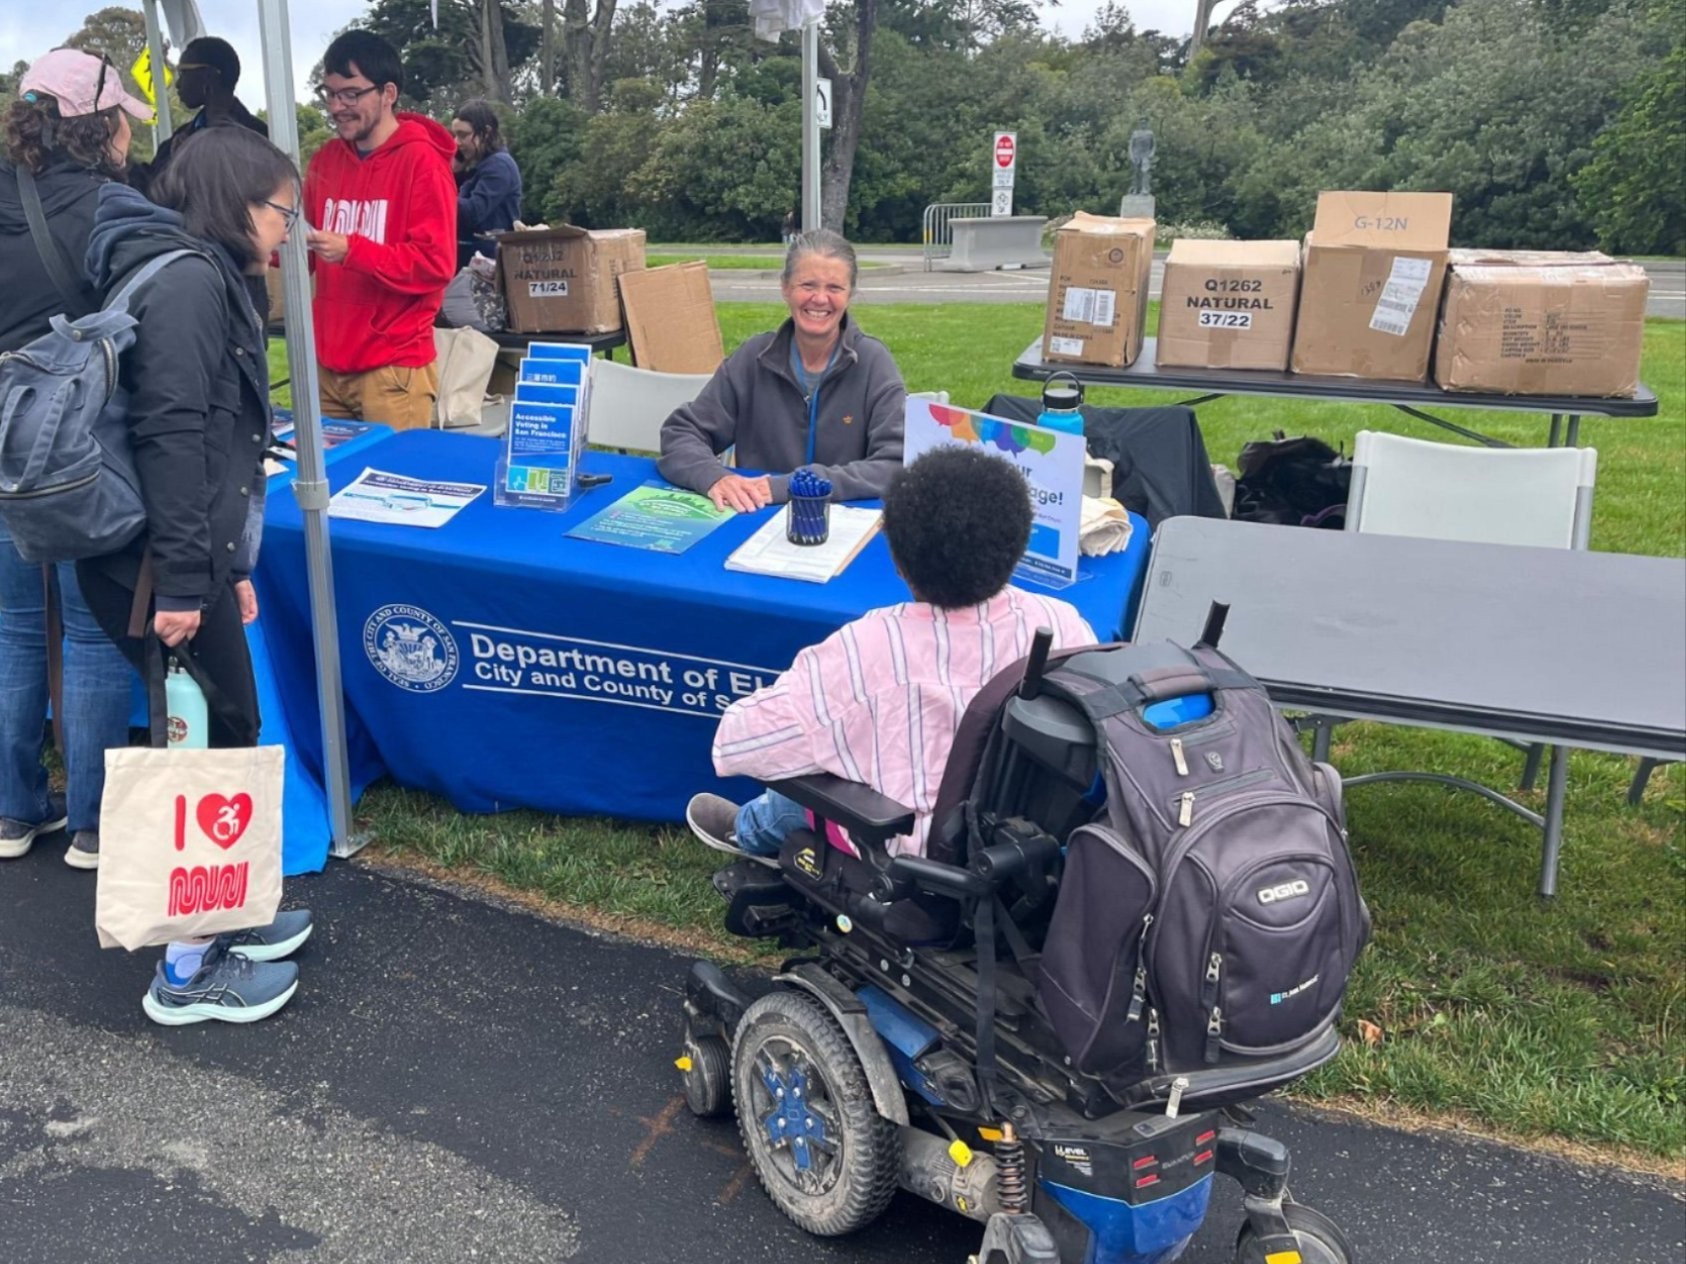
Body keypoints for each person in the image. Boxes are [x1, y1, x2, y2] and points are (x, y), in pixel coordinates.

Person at [78, 125, 313, 1024]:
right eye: (281, 212)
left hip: (177, 557)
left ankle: (226, 911)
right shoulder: (187, 282)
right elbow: (173, 436)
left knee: (228, 726)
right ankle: (183, 971)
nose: (288, 231)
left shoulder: (195, 272)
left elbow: (214, 439)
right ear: (235, 204)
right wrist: (185, 582)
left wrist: (227, 563)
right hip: (152, 566)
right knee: (200, 747)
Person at [686, 446, 1096, 863]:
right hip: (1026, 844)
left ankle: (746, 834)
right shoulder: (1063, 625)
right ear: (1017, 546)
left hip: (906, 858)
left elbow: (739, 744)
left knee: (790, 792)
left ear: (897, 562)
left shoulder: (865, 649)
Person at [0, 48, 147, 870]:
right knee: (90, 633)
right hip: (81, 441)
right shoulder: (115, 207)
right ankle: (93, 823)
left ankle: (13, 811)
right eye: (119, 113)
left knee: (14, 628)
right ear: (96, 124)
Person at [658, 229, 906, 511]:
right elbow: (681, 432)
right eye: (808, 285)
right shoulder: (754, 358)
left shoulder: (874, 364)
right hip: (755, 515)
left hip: (844, 522)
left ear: (850, 294)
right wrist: (714, 477)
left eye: (834, 288)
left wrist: (792, 486)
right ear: (785, 288)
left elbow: (895, 465)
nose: (820, 299)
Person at [303, 30, 456, 430]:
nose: (338, 106)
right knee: (324, 490)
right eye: (330, 94)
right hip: (328, 365)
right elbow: (300, 250)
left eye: (351, 94)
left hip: (394, 371)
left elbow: (435, 264)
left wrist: (354, 251)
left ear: (388, 93)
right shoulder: (325, 160)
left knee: (395, 487)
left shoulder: (422, 162)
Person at [127, 36, 267, 197]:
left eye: (183, 73)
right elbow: (152, 186)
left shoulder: (255, 136)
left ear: (207, 75)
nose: (178, 84)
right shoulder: (181, 138)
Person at [450, 99, 521, 269]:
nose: (457, 142)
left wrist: (437, 192)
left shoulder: (499, 166)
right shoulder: (478, 166)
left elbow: (472, 213)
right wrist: (455, 172)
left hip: (489, 267)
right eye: (455, 135)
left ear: (486, 133)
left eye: (463, 135)